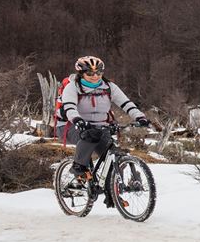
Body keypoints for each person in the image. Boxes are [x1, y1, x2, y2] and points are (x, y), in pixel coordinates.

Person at [57, 55, 151, 189]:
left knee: (112, 156)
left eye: (98, 72)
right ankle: (79, 167)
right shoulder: (72, 87)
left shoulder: (109, 87)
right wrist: (77, 119)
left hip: (100, 126)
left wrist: (140, 117)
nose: (95, 76)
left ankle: (112, 191)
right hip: (71, 125)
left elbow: (126, 103)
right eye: (90, 73)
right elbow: (69, 107)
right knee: (90, 135)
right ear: (81, 73)